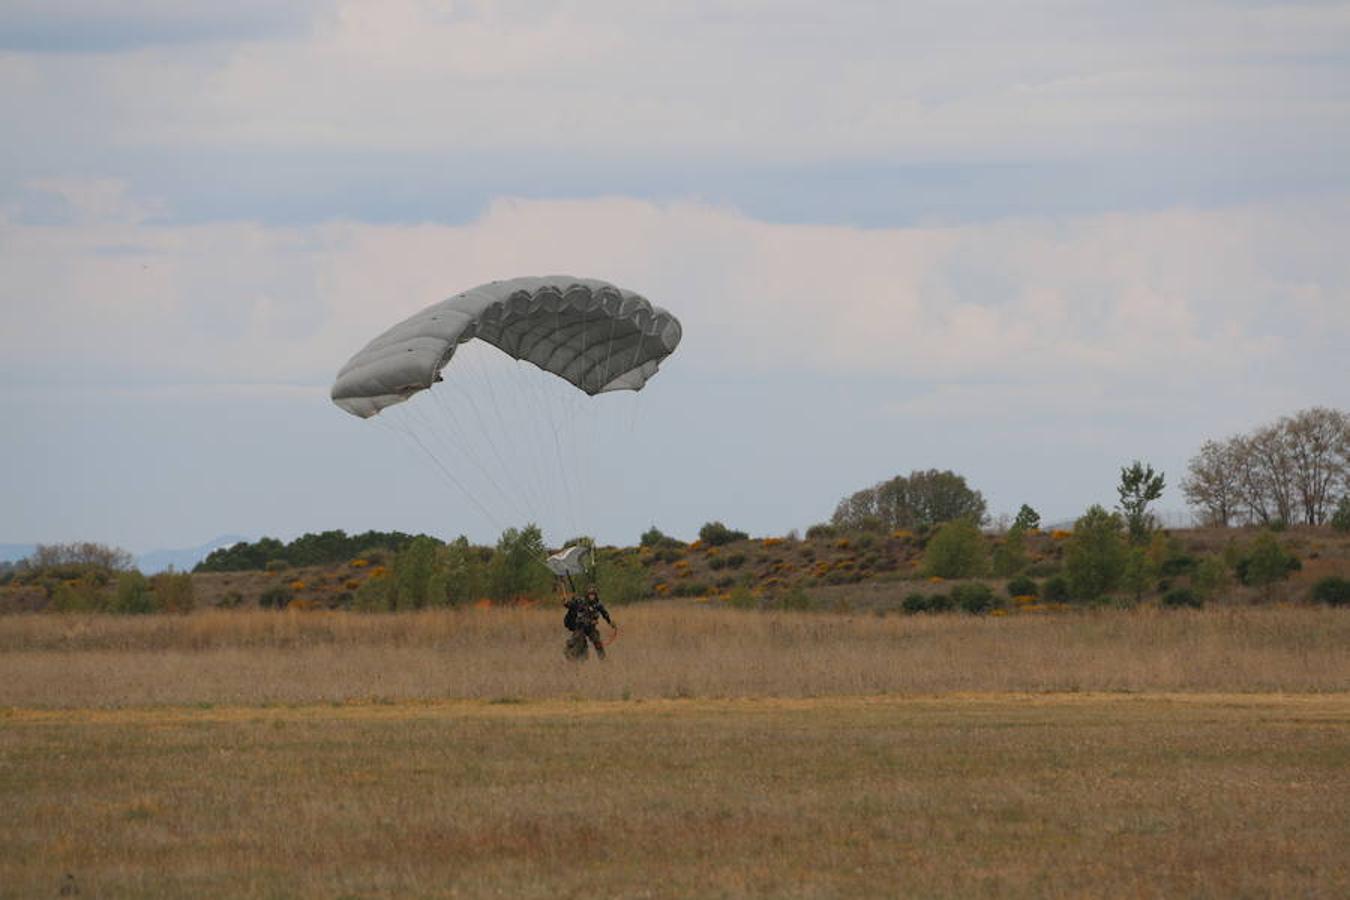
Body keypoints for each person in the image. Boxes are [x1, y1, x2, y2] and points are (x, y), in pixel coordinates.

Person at [563, 586, 615, 660]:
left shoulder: (598, 604)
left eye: (593, 594)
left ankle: (603, 658)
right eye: (590, 594)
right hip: (580, 626)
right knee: (578, 642)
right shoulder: (581, 601)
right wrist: (566, 603)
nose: (591, 596)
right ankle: (570, 653)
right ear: (587, 595)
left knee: (597, 640)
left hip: (591, 627)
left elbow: (604, 613)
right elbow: (571, 605)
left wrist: (610, 622)